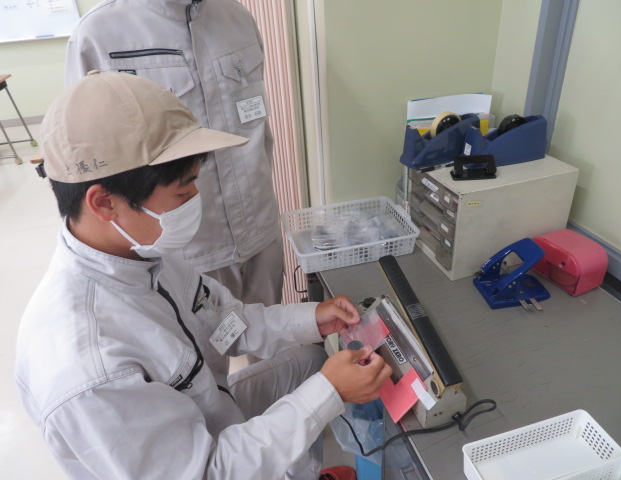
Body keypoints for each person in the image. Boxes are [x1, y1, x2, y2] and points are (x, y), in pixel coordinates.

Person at [15, 72, 391, 480]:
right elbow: (207, 473)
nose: (196, 200)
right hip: (206, 465)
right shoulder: (91, 370)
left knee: (312, 360)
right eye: (183, 190)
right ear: (105, 203)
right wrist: (328, 394)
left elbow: (226, 323)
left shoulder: (143, 253)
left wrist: (312, 318)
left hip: (211, 412)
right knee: (322, 386)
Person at [65, 0, 285, 307]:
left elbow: (257, 129)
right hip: (185, 250)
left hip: (261, 230)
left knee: (272, 327)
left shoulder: (236, 16)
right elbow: (88, 159)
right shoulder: (98, 33)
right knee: (202, 338)